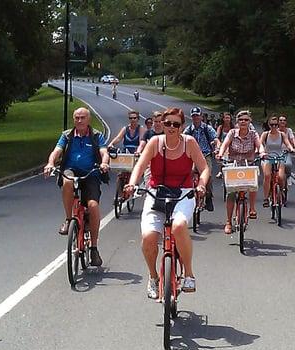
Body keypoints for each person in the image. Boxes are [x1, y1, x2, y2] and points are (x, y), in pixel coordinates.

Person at [124, 107, 209, 298]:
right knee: (148, 237)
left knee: (179, 226)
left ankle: (188, 273)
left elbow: (204, 169)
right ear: (162, 124)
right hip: (156, 193)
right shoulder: (155, 142)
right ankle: (153, 277)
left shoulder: (189, 143)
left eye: (176, 124)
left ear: (182, 126)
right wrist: (132, 184)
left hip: (183, 193)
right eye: (168, 123)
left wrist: (201, 185)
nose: (171, 127)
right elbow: (140, 166)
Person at [43, 107, 110, 266]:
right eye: (76, 118)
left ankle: (94, 248)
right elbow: (56, 151)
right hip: (71, 170)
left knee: (93, 206)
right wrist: (50, 163)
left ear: (88, 120)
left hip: (91, 173)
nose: (79, 121)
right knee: (67, 181)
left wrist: (105, 163)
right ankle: (68, 219)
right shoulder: (67, 135)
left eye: (82, 118)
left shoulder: (96, 135)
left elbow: (104, 151)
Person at [216, 110, 265, 234]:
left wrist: (262, 152)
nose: (243, 122)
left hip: (248, 164)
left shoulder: (253, 134)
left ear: (250, 121)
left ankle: (252, 209)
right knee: (231, 193)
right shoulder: (232, 133)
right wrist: (221, 154)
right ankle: (228, 222)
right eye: (241, 119)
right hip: (234, 164)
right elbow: (224, 144)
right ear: (237, 121)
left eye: (246, 120)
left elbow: (259, 145)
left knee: (253, 185)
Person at [183, 106, 220, 212]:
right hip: (192, 156)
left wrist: (217, 147)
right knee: (188, 173)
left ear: (201, 116)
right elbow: (182, 140)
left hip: (205, 155)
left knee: (207, 176)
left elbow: (216, 139)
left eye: (197, 116)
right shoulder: (189, 130)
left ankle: (208, 197)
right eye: (194, 116)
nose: (196, 118)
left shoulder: (207, 128)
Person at [259, 115, 295, 208]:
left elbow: (287, 143)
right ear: (269, 125)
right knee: (267, 176)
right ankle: (266, 198)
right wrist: (261, 152)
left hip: (279, 157)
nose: (274, 126)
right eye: (272, 125)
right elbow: (260, 144)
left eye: (275, 124)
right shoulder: (265, 134)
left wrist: (291, 148)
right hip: (268, 157)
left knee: (281, 177)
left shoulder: (282, 134)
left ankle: (281, 191)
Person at [215, 112, 235, 178]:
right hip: (222, 145)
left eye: (228, 118)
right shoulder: (220, 127)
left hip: (231, 145)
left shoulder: (233, 127)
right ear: (223, 119)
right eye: (226, 118)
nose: (227, 119)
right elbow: (217, 137)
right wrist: (218, 145)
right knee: (222, 157)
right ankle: (221, 171)